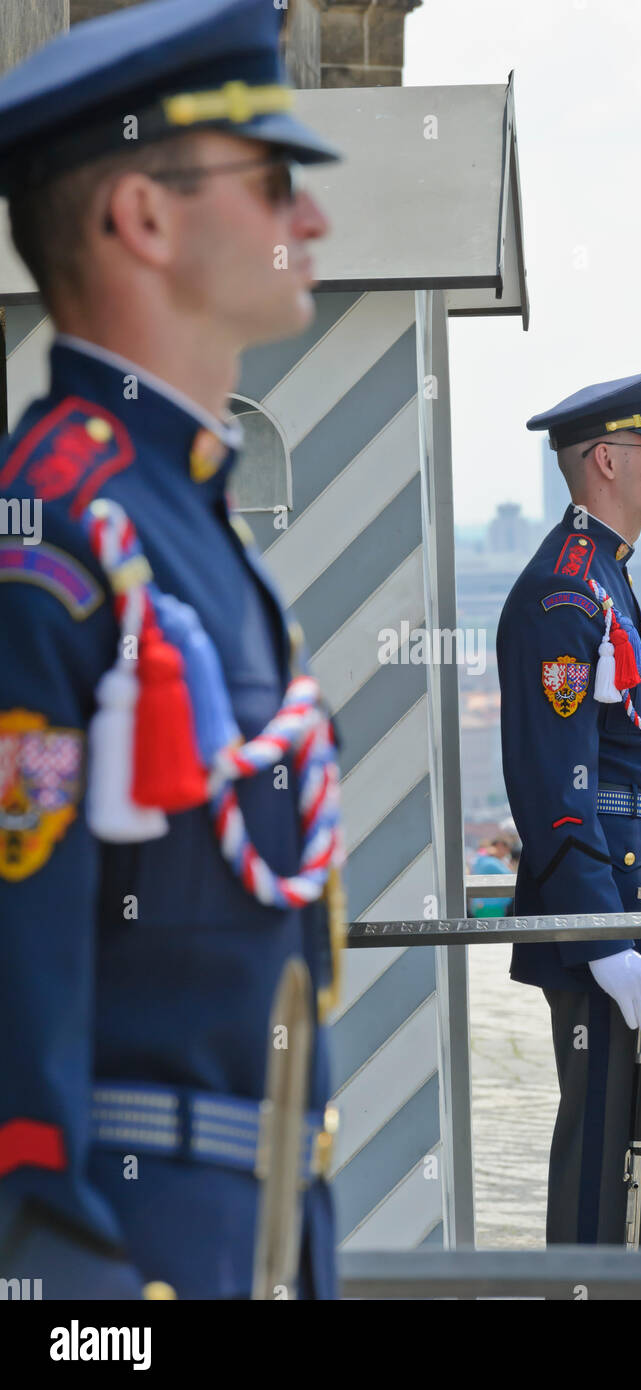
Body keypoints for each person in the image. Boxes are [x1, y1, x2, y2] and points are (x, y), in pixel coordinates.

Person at [0, 0, 344, 1299]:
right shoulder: (51, 538)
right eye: (272, 180)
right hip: (119, 1266)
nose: (308, 218)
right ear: (144, 217)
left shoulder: (182, 524)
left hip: (256, 1236)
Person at [497, 365, 641, 1245]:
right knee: (598, 1148)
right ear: (603, 462)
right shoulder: (562, 593)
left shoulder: (605, 576)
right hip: (610, 909)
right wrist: (598, 936)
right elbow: (554, 787)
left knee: (640, 1141)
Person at [470, 836, 515, 917]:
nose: (507, 853)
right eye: (506, 849)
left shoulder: (482, 860)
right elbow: (511, 876)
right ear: (499, 846)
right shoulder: (491, 862)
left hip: (485, 905)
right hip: (491, 906)